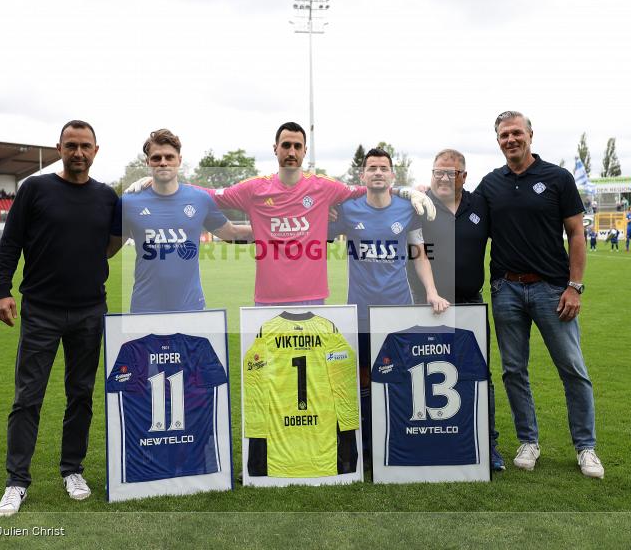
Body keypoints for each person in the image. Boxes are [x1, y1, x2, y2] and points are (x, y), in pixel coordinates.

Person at [127, 122, 435, 305]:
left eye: (297, 146)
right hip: (268, 299)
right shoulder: (254, 189)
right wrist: (159, 181)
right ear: (275, 148)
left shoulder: (324, 187)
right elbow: (209, 196)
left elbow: (370, 186)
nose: (291, 151)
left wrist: (406, 190)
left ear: (304, 151)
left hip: (315, 297)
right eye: (285, 144)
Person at [0, 120, 118, 516]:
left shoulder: (107, 197)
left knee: (80, 395)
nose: (78, 152)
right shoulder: (36, 188)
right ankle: (16, 482)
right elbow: (11, 240)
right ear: (59, 148)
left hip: (89, 310)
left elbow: (113, 243)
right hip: (41, 310)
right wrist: (2, 291)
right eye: (71, 145)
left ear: (96, 150)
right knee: (28, 396)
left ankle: (72, 470)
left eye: (85, 146)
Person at [475, 110, 603, 478]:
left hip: (552, 289)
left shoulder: (557, 178)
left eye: (516, 133)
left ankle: (586, 447)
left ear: (531, 135)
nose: (510, 140)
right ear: (497, 141)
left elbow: (576, 234)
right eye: (503, 135)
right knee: (514, 371)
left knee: (572, 369)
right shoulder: (491, 183)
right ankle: (528, 441)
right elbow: (463, 211)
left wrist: (575, 286)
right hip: (506, 289)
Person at [330, 147, 450, 465]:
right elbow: (320, 229)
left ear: (393, 175)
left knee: (400, 375)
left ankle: (401, 438)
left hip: (398, 309)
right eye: (372, 168)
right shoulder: (348, 210)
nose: (378, 172)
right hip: (360, 310)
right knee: (364, 378)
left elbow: (419, 253)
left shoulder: (406, 209)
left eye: (384, 167)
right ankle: (368, 446)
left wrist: (432, 291)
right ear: (363, 175)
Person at [404, 148, 506, 471]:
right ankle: (423, 442)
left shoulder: (480, 205)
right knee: (422, 375)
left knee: (480, 375)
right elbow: (415, 251)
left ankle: (488, 445)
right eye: (438, 172)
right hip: (425, 305)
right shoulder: (419, 205)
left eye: (451, 173)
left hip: (470, 304)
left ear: (464, 176)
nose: (443, 178)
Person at [108, 129, 251, 312]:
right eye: (156, 158)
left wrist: (273, 231)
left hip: (190, 307)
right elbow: (109, 250)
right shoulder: (128, 203)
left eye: (169, 157)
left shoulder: (200, 199)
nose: (163, 163)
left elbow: (232, 233)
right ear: (147, 162)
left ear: (179, 160)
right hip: (145, 307)